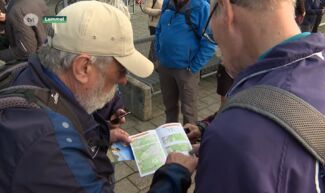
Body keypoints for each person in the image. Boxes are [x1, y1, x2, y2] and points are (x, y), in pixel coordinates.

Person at [0, 1, 197, 193]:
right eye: (121, 69)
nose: (123, 80)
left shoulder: (31, 76)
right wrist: (173, 176)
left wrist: (100, 136)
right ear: (83, 67)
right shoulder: (50, 149)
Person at [151, 0, 325, 192]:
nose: (216, 43)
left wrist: (178, 173)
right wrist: (206, 128)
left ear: (225, 10)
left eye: (210, 30)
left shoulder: (232, 140)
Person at [155, 0, 216, 124]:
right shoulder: (167, 3)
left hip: (186, 70)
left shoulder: (202, 7)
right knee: (169, 107)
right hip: (165, 67)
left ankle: (190, 139)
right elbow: (159, 31)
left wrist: (193, 67)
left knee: (188, 110)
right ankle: (170, 136)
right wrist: (159, 54)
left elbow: (209, 43)